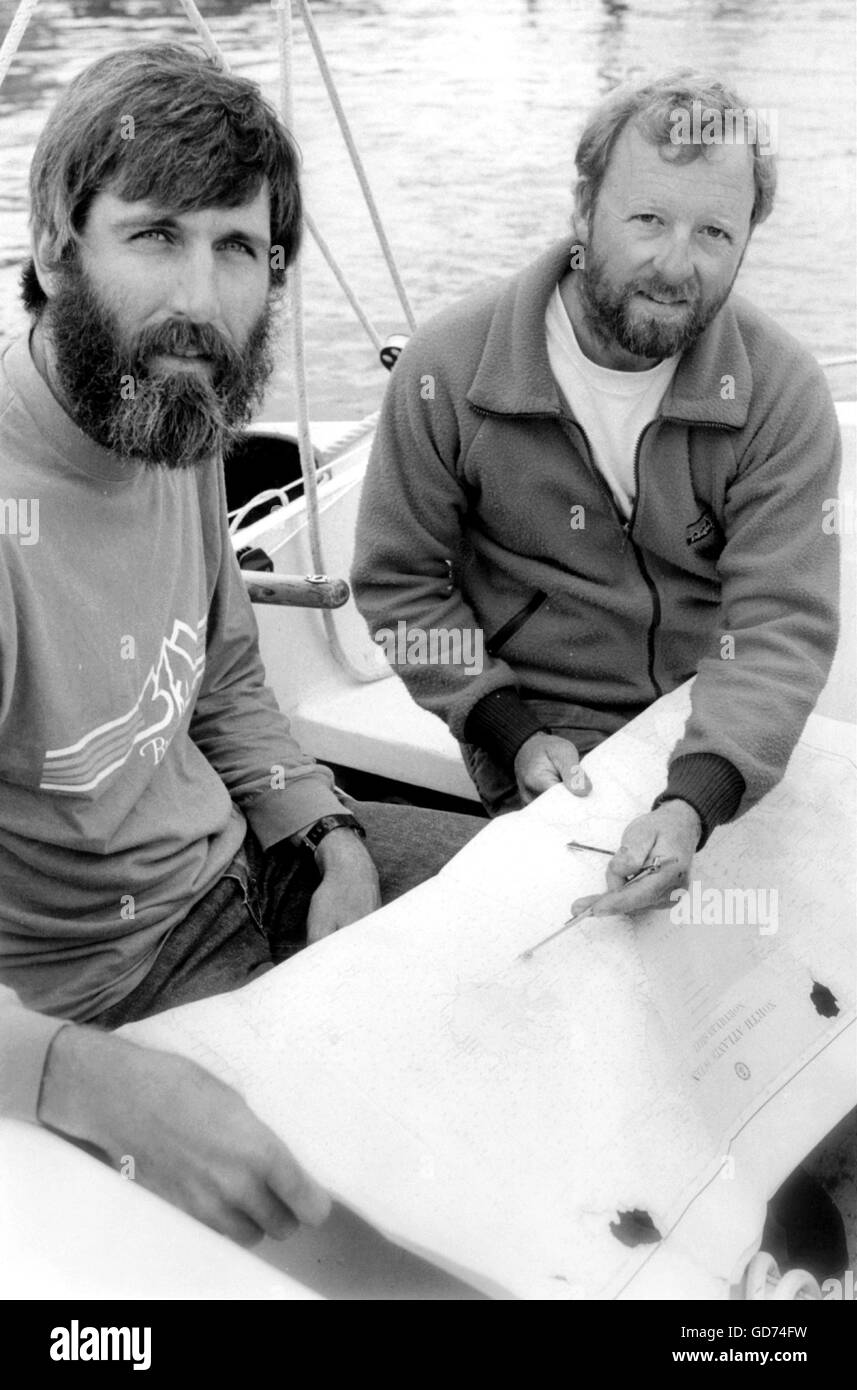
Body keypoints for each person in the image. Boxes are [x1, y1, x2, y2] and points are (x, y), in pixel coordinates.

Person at [0, 43, 482, 1248]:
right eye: (155, 234)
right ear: (59, 246)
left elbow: (218, 674)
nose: (201, 298)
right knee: (377, 1231)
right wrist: (85, 1081)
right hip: (99, 999)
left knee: (554, 910)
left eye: (237, 248)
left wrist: (322, 834)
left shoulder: (175, 410)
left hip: (247, 871)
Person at [351, 71, 841, 923]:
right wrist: (503, 726)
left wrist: (694, 796)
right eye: (646, 219)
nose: (674, 264)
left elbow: (777, 626)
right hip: (542, 723)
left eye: (714, 232)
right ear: (583, 210)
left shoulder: (779, 390)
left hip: (713, 710)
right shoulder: (447, 369)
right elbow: (401, 582)